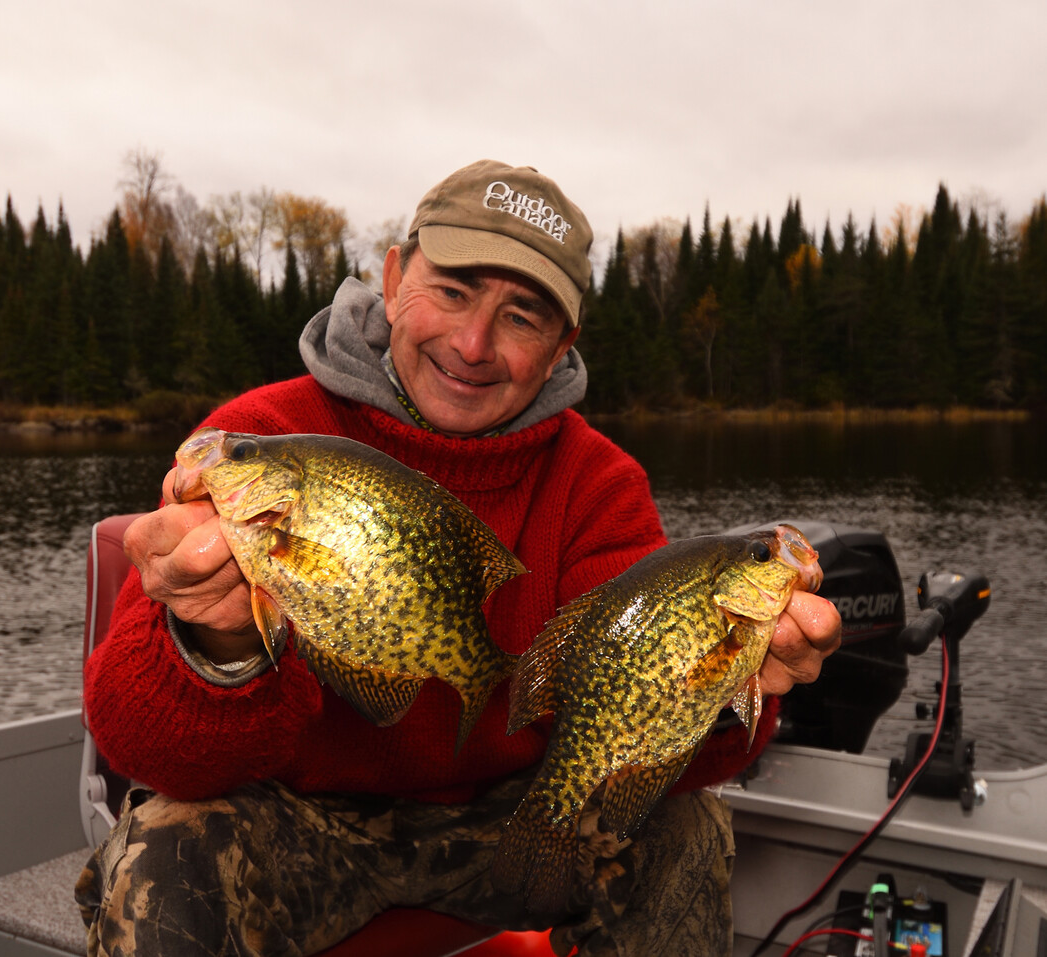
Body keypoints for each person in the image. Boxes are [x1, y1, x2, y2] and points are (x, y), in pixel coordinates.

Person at [77, 159, 841, 956]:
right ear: (395, 274)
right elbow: (139, 745)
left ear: (560, 347)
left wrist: (724, 674)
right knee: (166, 844)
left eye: (522, 316)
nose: (473, 344)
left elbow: (640, 731)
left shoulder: (600, 485)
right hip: (297, 816)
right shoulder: (259, 436)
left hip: (509, 813)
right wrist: (220, 645)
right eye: (451, 291)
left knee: (685, 827)